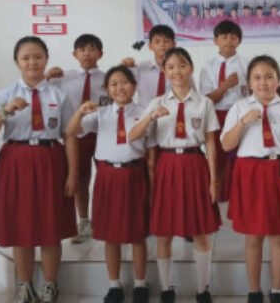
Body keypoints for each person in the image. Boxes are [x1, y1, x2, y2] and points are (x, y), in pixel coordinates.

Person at [0, 36, 77, 303]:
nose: (32, 62)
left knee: (51, 227)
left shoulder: (59, 95)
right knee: (20, 226)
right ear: (17, 62)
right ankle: (24, 285)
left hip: (50, 159)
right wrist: (4, 111)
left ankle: (50, 285)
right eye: (26, 58)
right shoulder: (5, 94)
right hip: (16, 161)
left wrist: (73, 173)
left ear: (46, 59)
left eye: (37, 57)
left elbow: (69, 135)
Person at [129, 47, 221, 303]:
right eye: (170, 67)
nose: (176, 71)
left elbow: (211, 143)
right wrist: (150, 117)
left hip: (195, 164)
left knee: (200, 230)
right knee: (164, 231)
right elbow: (132, 136)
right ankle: (167, 287)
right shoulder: (157, 102)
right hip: (167, 165)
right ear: (164, 71)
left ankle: (202, 288)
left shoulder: (204, 103)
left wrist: (214, 180)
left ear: (191, 68)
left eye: (181, 65)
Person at [65, 65, 155, 303]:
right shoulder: (100, 113)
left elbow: (151, 151)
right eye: (113, 84)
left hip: (134, 174)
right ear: (106, 89)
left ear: (134, 86)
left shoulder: (145, 113)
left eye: (125, 82)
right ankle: (114, 284)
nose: (119, 88)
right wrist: (80, 113)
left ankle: (140, 283)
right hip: (107, 177)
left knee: (138, 234)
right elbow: (71, 131)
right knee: (110, 234)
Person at [221, 55, 280, 303]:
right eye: (257, 78)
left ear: (278, 80)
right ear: (249, 82)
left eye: (269, 77)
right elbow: (227, 144)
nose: (263, 83)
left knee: (279, 235)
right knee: (253, 235)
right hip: (250, 174)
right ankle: (254, 290)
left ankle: (277, 290)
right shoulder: (239, 108)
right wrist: (243, 122)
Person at [46, 33, 108, 244]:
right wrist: (48, 76)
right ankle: (84, 221)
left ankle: (105, 219)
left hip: (102, 133)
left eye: (92, 49)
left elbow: (113, 102)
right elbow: (42, 91)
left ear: (100, 53)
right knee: (80, 178)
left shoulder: (108, 79)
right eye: (82, 50)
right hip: (75, 135)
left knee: (105, 177)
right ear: (75, 54)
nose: (87, 53)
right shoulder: (62, 78)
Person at [200, 20, 249, 202]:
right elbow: (208, 100)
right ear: (216, 40)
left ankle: (239, 192)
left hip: (240, 116)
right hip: (216, 114)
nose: (229, 40)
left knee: (239, 154)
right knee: (218, 155)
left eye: (234, 37)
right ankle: (218, 191)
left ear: (239, 41)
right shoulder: (208, 66)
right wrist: (225, 86)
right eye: (224, 36)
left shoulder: (247, 64)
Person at [122, 25, 177, 105]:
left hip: (172, 112)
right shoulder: (140, 68)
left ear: (174, 44)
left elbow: (190, 94)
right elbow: (124, 89)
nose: (162, 44)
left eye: (166, 41)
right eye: (157, 41)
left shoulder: (181, 69)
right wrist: (126, 67)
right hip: (145, 112)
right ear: (150, 46)